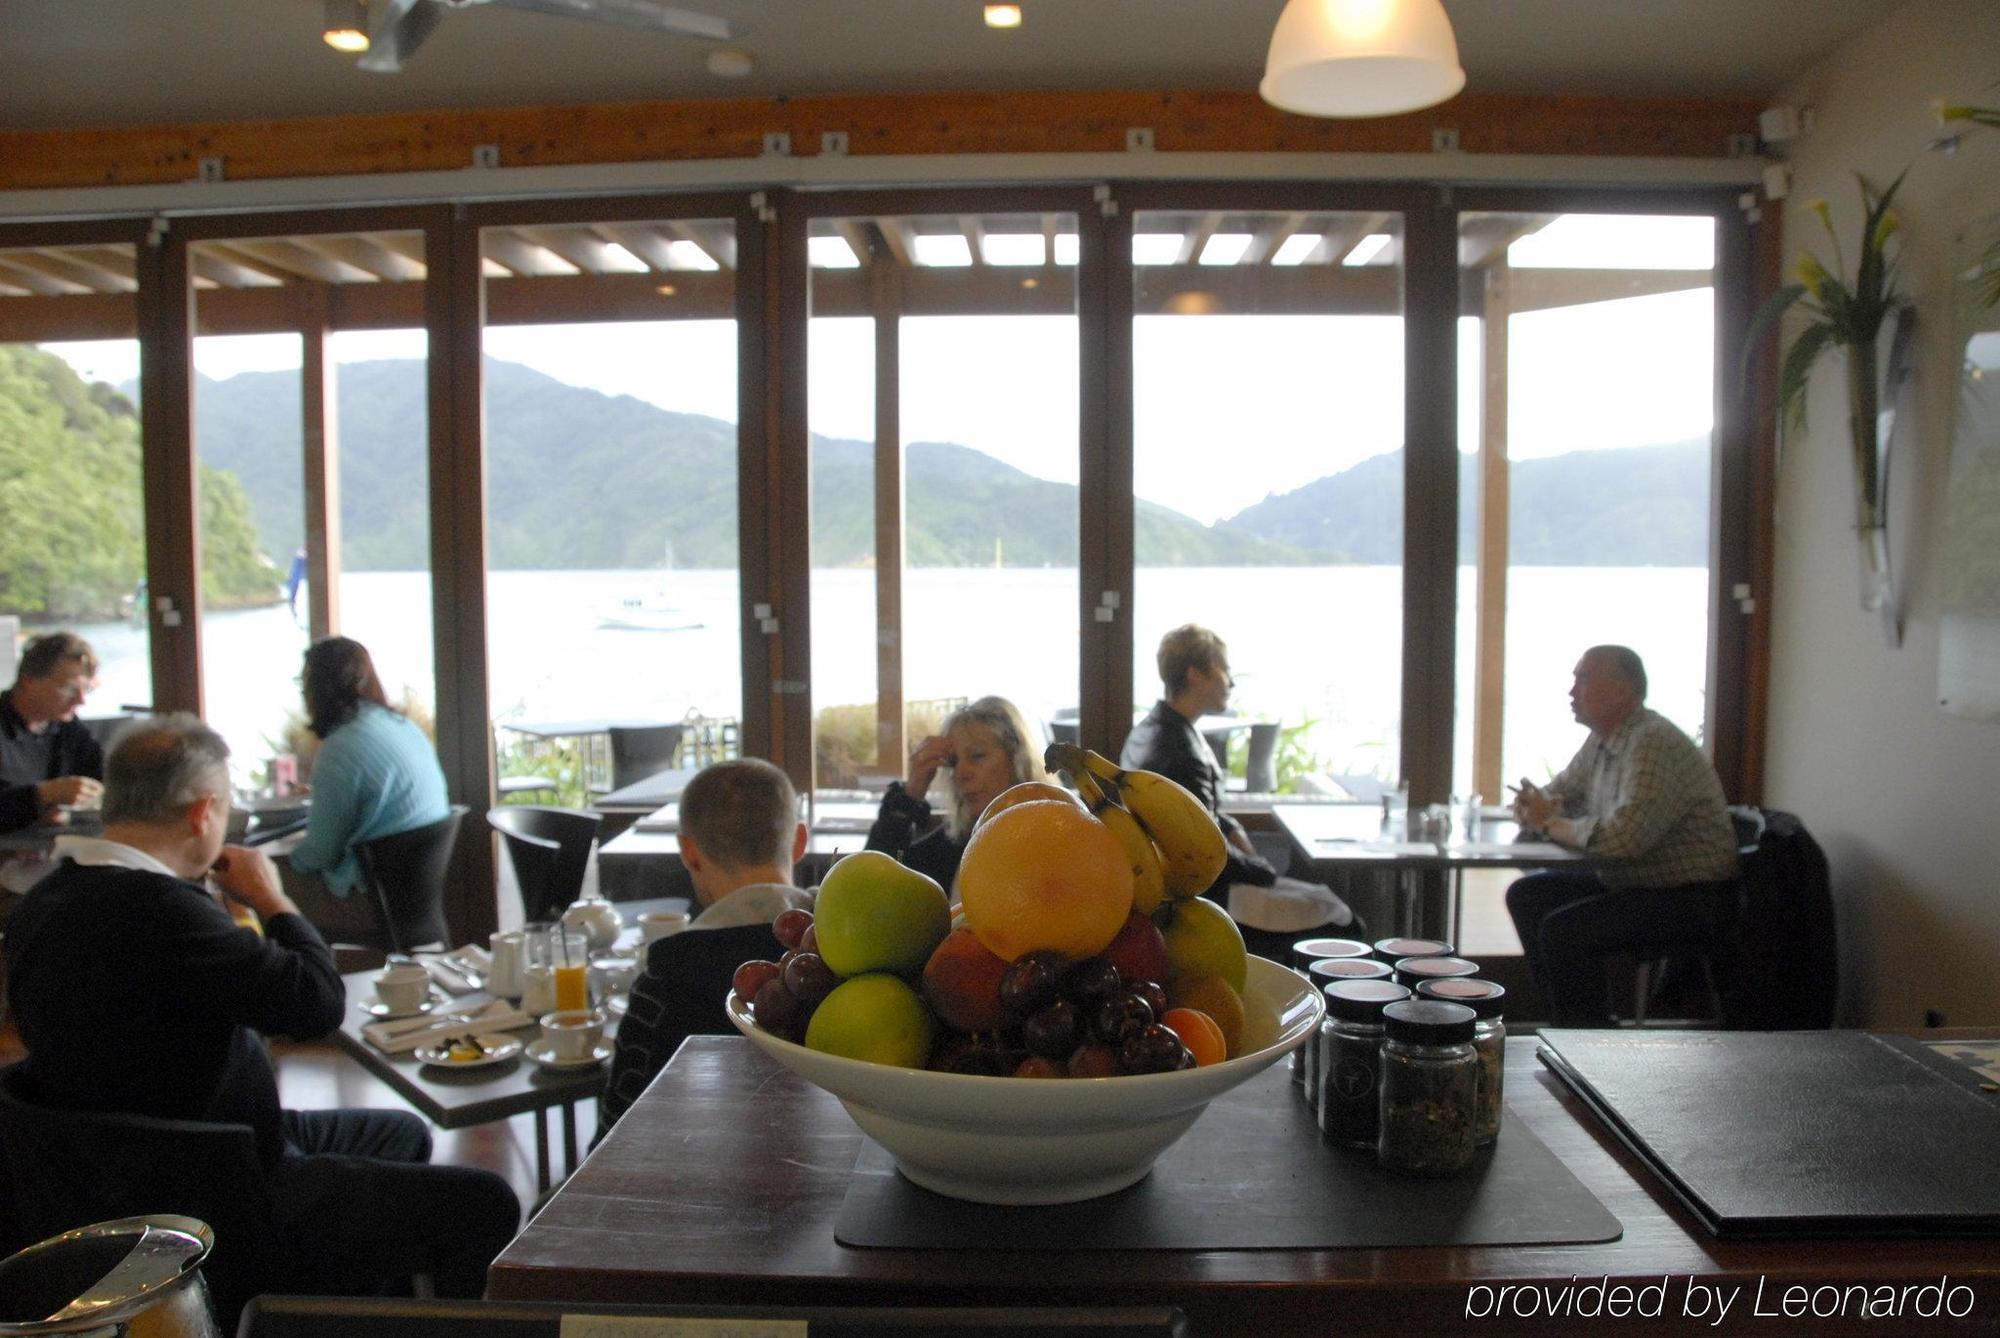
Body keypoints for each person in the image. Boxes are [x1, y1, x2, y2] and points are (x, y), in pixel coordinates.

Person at [2, 715, 518, 1299]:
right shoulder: (162, 913)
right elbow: (319, 1004)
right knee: (486, 1202)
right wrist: (274, 900)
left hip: (119, 1163)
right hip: (219, 1187)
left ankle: (355, 1304)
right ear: (203, 812)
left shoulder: (44, 901)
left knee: (398, 1134)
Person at [1506, 645, 1741, 1026]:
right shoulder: (1603, 740)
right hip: (1635, 883)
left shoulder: (1651, 741)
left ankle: (1588, 1040)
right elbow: (1559, 794)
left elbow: (1622, 841)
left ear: (1622, 691)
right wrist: (1532, 805)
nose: (1571, 691)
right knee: (1528, 895)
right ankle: (1568, 1021)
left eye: (1583, 679)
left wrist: (1547, 823)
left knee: (1564, 931)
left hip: (1690, 896)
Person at [598, 758, 812, 1140]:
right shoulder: (831, 961)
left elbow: (614, 1139)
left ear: (688, 851)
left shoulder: (666, 980)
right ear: (798, 842)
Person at [1123, 624, 1360, 958]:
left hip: (1197, 888)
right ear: (1195, 675)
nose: (1230, 682)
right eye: (1224, 670)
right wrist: (1260, 868)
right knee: (1344, 923)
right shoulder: (1178, 750)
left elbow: (1198, 815)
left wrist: (1232, 830)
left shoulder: (1150, 731)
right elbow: (1194, 848)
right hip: (1209, 897)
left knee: (1326, 902)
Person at [283, 637, 450, 942]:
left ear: (316, 689)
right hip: (415, 895)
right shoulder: (402, 726)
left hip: (373, 900)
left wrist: (283, 858)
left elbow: (320, 854)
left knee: (261, 886)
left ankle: (302, 982)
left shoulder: (340, 748)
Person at [865, 696, 1045, 890]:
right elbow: (871, 885)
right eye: (952, 763)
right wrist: (910, 794)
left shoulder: (1058, 836)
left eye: (977, 756)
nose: (960, 774)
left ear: (1018, 759)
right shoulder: (950, 847)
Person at [0, 632, 104, 836]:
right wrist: (41, 796)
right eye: (70, 689)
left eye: (86, 690)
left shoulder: (66, 726)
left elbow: (102, 771)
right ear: (29, 681)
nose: (81, 701)